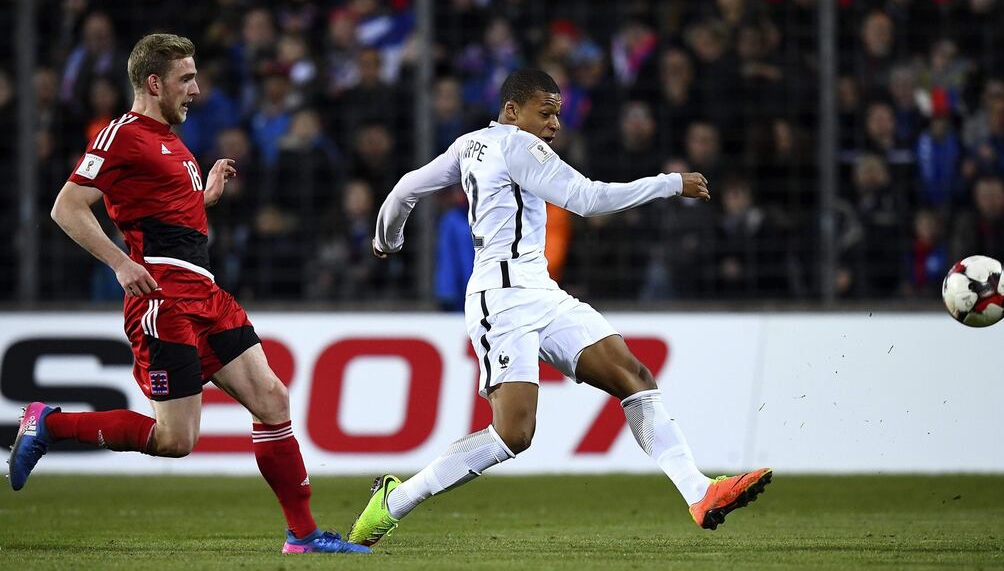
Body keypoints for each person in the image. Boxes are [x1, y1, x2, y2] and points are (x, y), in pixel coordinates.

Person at [348, 69, 772, 546]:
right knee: (513, 434)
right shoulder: (519, 146)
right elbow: (588, 199)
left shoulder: (468, 145)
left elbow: (406, 187)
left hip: (541, 291)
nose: (553, 124)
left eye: (557, 114)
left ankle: (699, 492)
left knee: (633, 375)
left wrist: (387, 239)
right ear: (512, 110)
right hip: (501, 300)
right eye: (544, 112)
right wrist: (669, 183)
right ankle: (393, 502)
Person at [7, 33, 369, 556]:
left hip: (206, 294)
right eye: (186, 78)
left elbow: (165, 217)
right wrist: (120, 262)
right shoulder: (121, 134)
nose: (196, 89)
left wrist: (205, 198)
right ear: (154, 83)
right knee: (175, 441)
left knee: (272, 399)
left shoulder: (175, 142)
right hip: (163, 299)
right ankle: (50, 422)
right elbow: (67, 207)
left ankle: (304, 535)